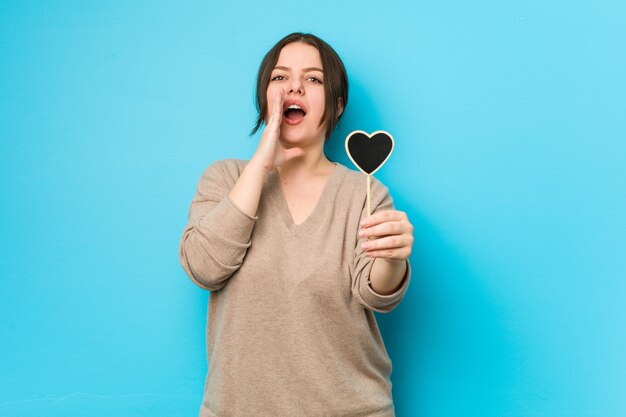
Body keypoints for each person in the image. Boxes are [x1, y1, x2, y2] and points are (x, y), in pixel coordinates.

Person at [179, 32, 414, 417]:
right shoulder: (224, 178)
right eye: (280, 77)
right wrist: (260, 163)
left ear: (336, 106)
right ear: (264, 95)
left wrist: (393, 258)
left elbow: (376, 294)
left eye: (313, 79)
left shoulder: (364, 193)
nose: (294, 87)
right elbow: (204, 267)